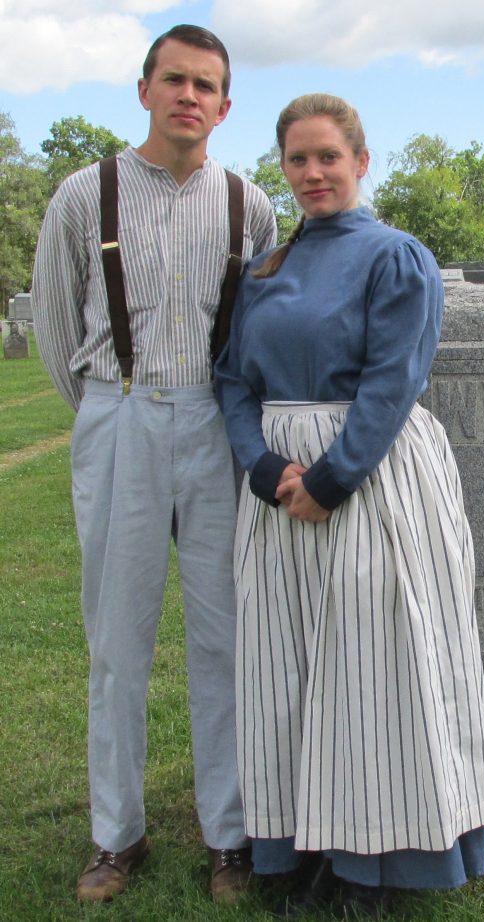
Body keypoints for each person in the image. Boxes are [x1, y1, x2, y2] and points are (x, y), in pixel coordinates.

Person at [215, 93, 484, 918]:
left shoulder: (396, 256)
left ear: (360, 162)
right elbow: (233, 378)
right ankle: (306, 842)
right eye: (298, 160)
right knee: (290, 672)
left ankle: (379, 862)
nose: (312, 173)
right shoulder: (265, 268)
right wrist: (265, 469)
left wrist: (331, 480)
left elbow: (393, 381)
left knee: (374, 670)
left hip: (371, 483)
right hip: (277, 495)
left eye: (328, 157)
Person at [31, 24, 277, 904]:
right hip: (121, 411)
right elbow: (57, 329)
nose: (189, 97)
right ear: (144, 90)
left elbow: (256, 333)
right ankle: (115, 835)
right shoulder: (81, 195)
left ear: (224, 104)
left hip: (215, 423)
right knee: (116, 641)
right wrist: (112, 411)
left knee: (226, 637)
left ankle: (231, 836)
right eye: (174, 80)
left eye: (206, 85)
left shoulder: (250, 205)